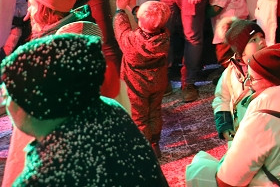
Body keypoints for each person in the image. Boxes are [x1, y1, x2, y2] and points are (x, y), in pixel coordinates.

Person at [0, 33, 168, 187]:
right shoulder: (109, 108)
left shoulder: (42, 177)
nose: (5, 102)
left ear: (35, 105)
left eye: (8, 95)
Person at [186, 43, 280, 187]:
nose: (248, 84)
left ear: (271, 80)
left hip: (272, 183)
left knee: (197, 168)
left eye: (253, 79)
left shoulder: (262, 117)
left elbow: (228, 180)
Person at [112, 0, 171, 155]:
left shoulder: (131, 40)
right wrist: (133, 7)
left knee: (139, 115)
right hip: (158, 80)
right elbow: (152, 21)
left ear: (139, 22)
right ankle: (155, 143)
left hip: (137, 84)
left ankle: (146, 148)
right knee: (155, 111)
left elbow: (121, 30)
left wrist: (120, 9)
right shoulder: (164, 36)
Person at [212, 18, 264, 142]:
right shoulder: (230, 73)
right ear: (241, 51)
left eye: (262, 37)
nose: (261, 42)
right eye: (254, 40)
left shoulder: (272, 66)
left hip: (267, 129)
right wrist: (225, 125)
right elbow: (222, 99)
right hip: (242, 132)